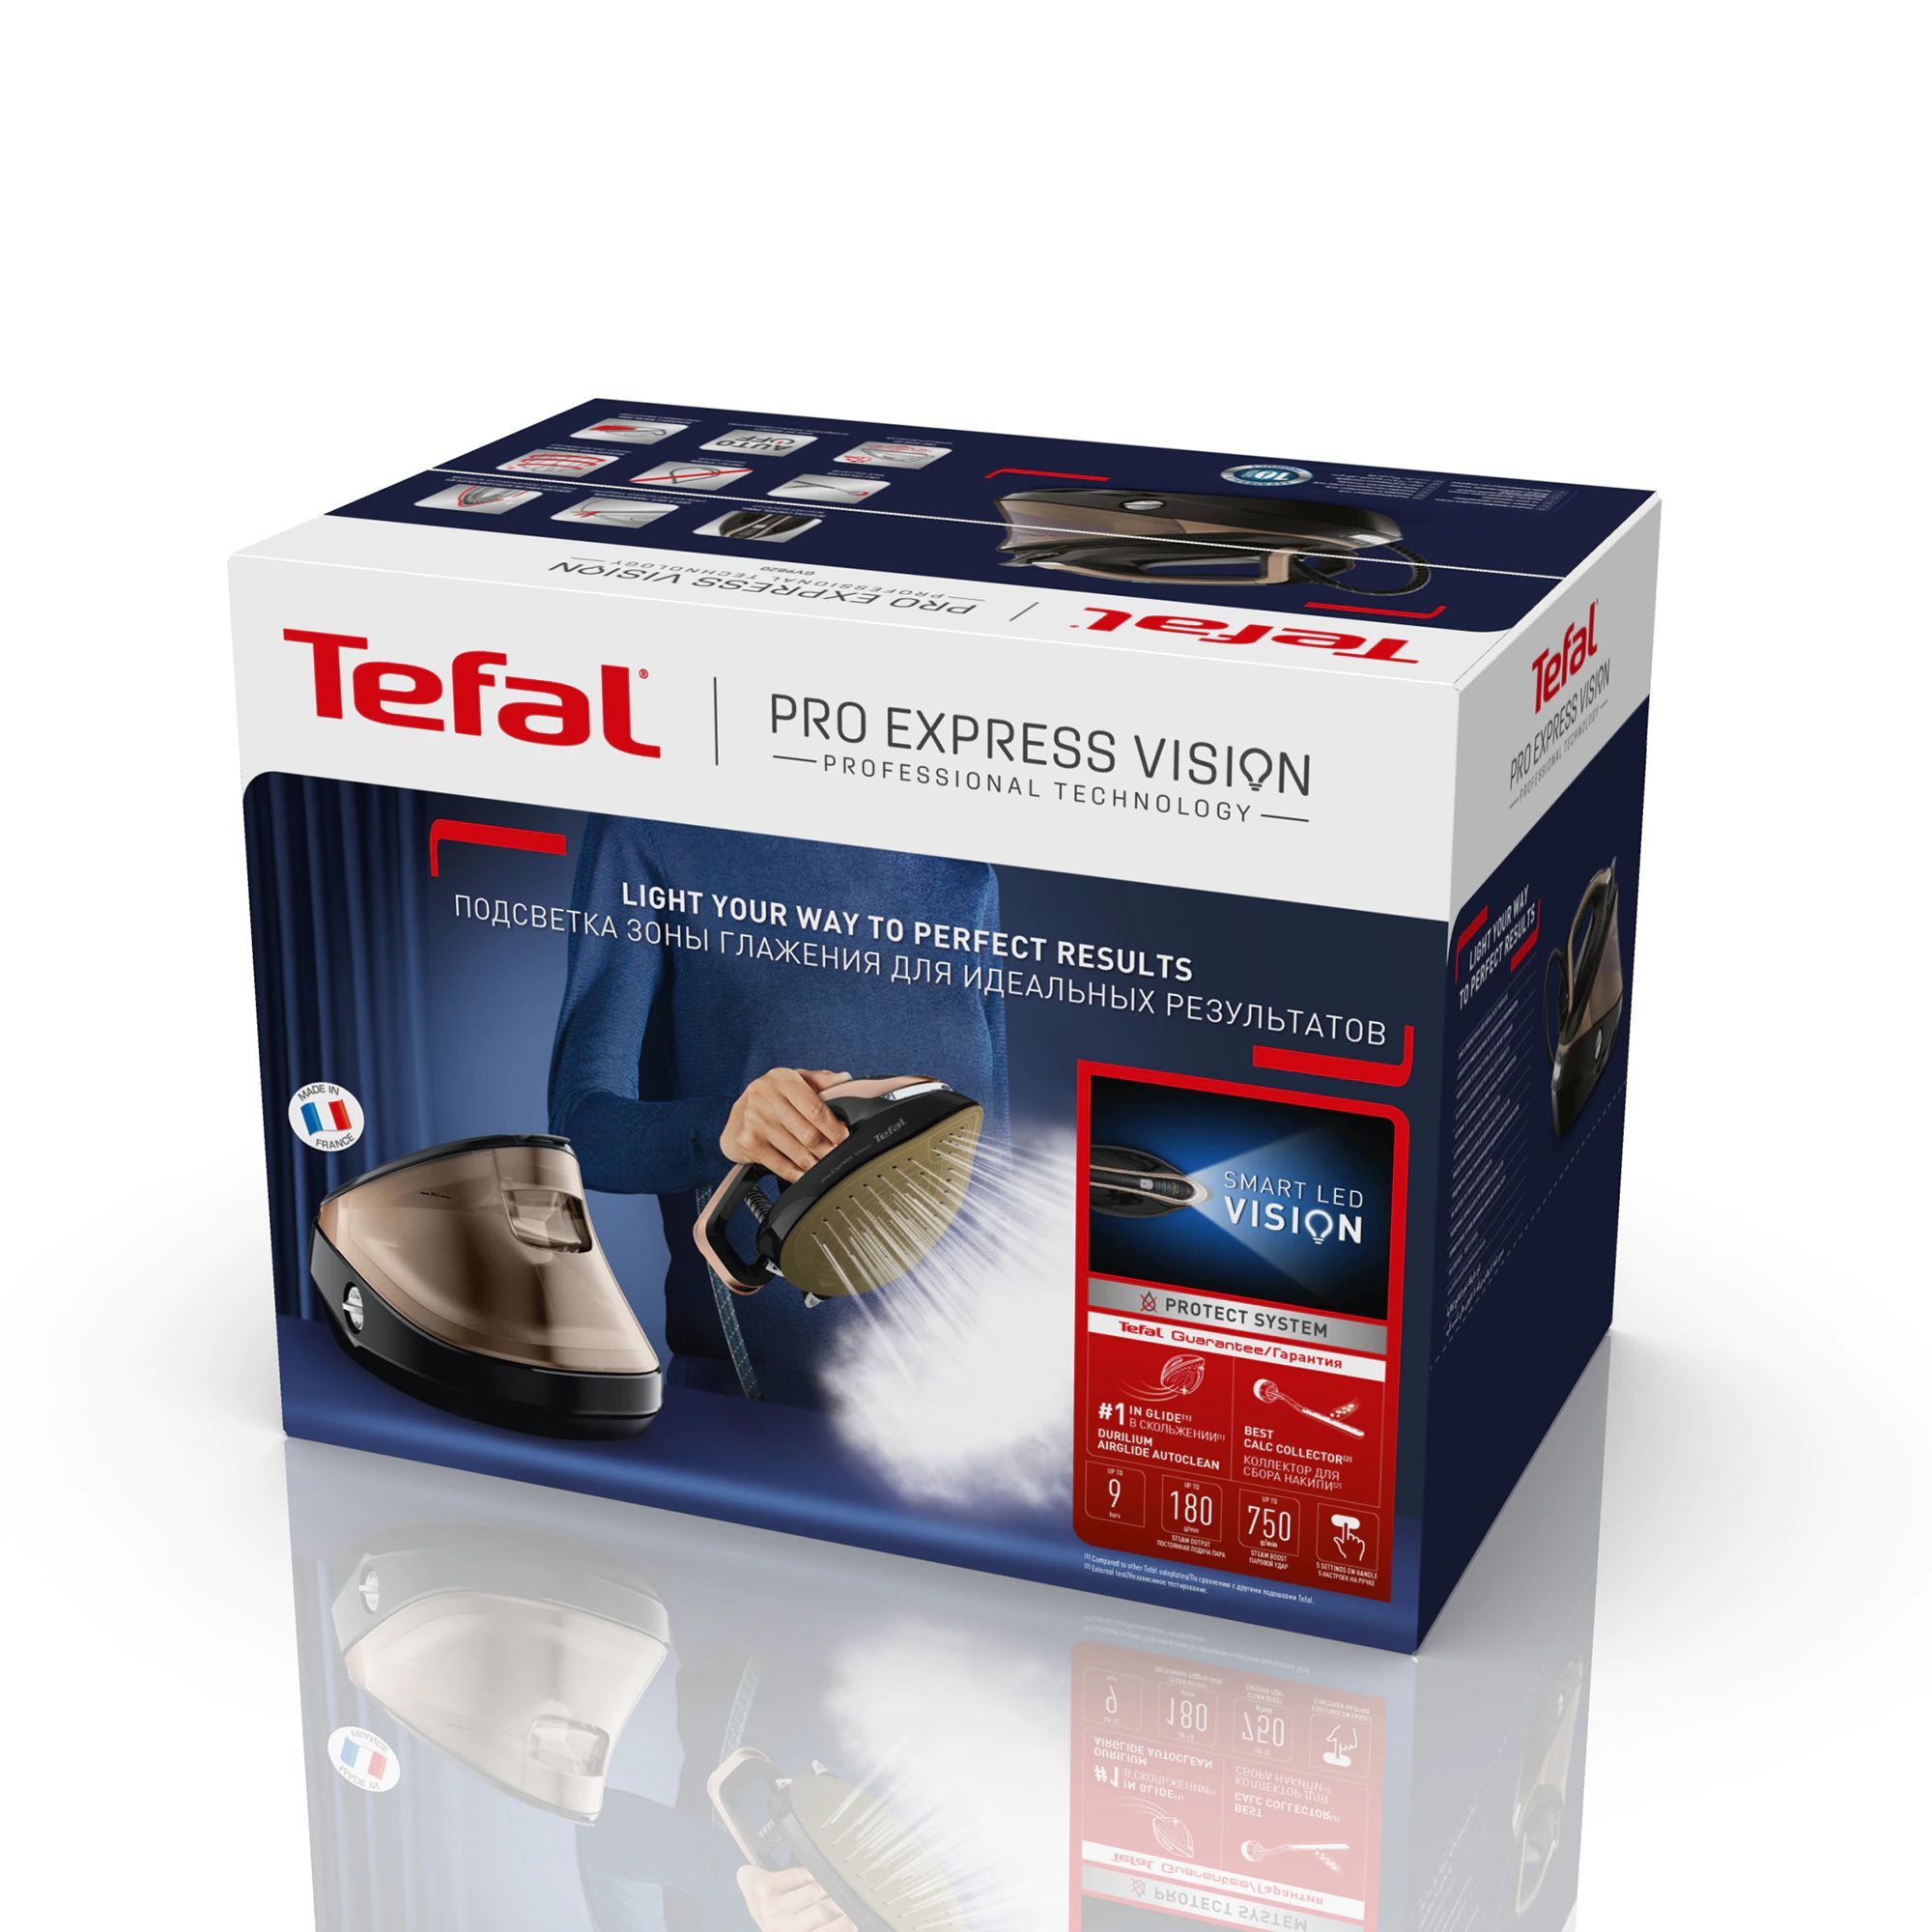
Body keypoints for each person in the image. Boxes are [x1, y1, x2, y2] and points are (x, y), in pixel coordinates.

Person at [551, 816, 1009, 1406]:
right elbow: (580, 1129)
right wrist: (724, 1129)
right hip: (751, 1405)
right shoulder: (654, 832)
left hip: (954, 1402)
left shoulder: (963, 874)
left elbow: (992, 1166)